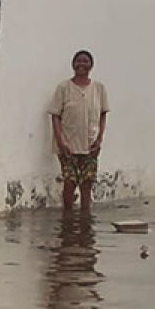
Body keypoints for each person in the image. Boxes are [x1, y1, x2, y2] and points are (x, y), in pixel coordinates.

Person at [48, 50, 109, 211]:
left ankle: (84, 220)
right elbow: (55, 116)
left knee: (87, 183)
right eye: (78, 61)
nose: (81, 64)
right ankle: (67, 219)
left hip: (90, 145)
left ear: (91, 65)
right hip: (68, 145)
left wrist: (99, 139)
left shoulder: (99, 89)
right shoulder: (63, 88)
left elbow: (103, 114)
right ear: (73, 65)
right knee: (70, 182)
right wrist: (60, 142)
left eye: (85, 61)